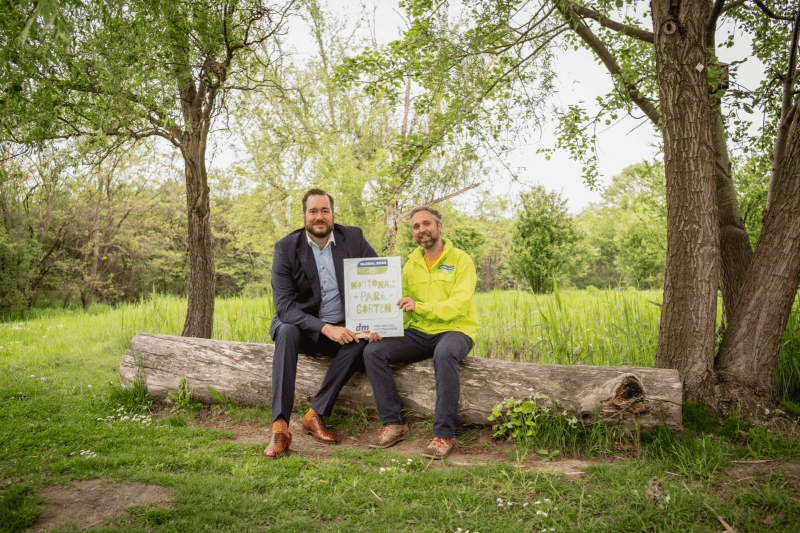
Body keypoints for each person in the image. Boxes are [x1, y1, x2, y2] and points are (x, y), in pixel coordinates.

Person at [264, 188, 379, 459]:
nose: (319, 216)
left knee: (360, 338)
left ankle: (315, 413)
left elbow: (379, 274)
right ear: (304, 215)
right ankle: (280, 427)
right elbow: (285, 308)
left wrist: (378, 320)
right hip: (301, 327)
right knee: (287, 330)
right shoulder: (285, 248)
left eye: (324, 211)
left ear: (332, 214)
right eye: (313, 211)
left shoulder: (353, 237)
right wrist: (325, 327)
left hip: (340, 327)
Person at [363, 206, 478, 459]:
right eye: (416, 226)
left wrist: (421, 307)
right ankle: (394, 423)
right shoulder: (410, 265)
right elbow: (400, 306)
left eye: (426, 224)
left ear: (439, 227)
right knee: (373, 351)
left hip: (455, 330)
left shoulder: (461, 260)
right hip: (419, 331)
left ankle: (443, 435)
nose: (421, 230)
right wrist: (381, 326)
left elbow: (459, 303)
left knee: (445, 352)